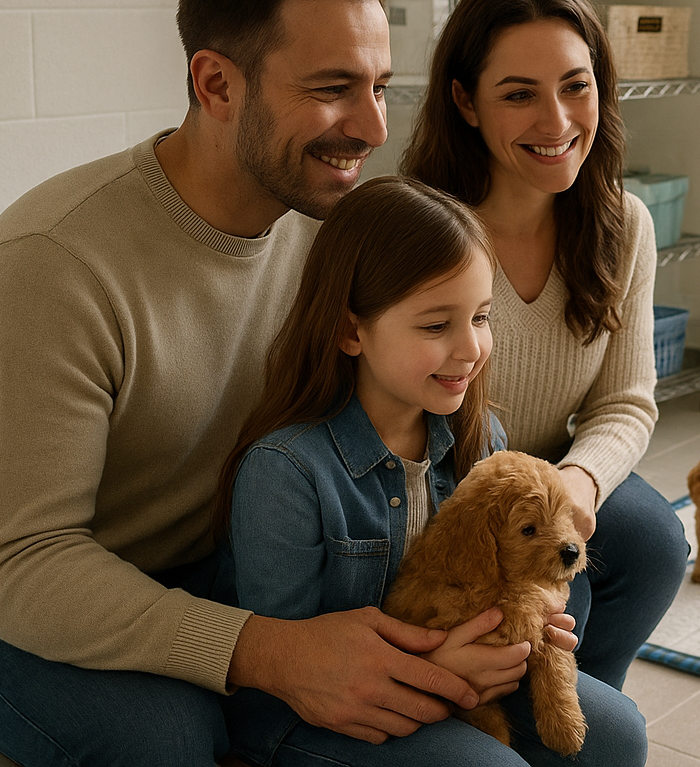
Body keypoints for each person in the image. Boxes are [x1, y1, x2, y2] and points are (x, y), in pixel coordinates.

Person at [0, 0, 492, 764]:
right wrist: (268, 654)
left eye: (380, 87)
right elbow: (20, 567)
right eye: (332, 89)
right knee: (169, 738)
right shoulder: (50, 265)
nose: (370, 126)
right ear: (215, 83)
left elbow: (434, 373)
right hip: (40, 611)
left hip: (247, 564)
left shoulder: (327, 230)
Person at [216, 176, 647, 767]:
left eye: (482, 317)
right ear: (350, 330)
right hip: (319, 715)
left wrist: (533, 624)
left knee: (618, 734)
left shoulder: (480, 438)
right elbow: (293, 668)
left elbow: (518, 574)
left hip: (463, 672)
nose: (471, 348)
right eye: (436, 325)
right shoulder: (286, 472)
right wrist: (434, 668)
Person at [401, 0, 688, 690]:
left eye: (575, 86)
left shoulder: (623, 223)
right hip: (445, 498)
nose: (557, 122)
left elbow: (625, 400)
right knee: (567, 599)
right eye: (519, 95)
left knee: (656, 542)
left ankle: (588, 713)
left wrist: (580, 482)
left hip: (549, 480)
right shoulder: (421, 231)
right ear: (465, 102)